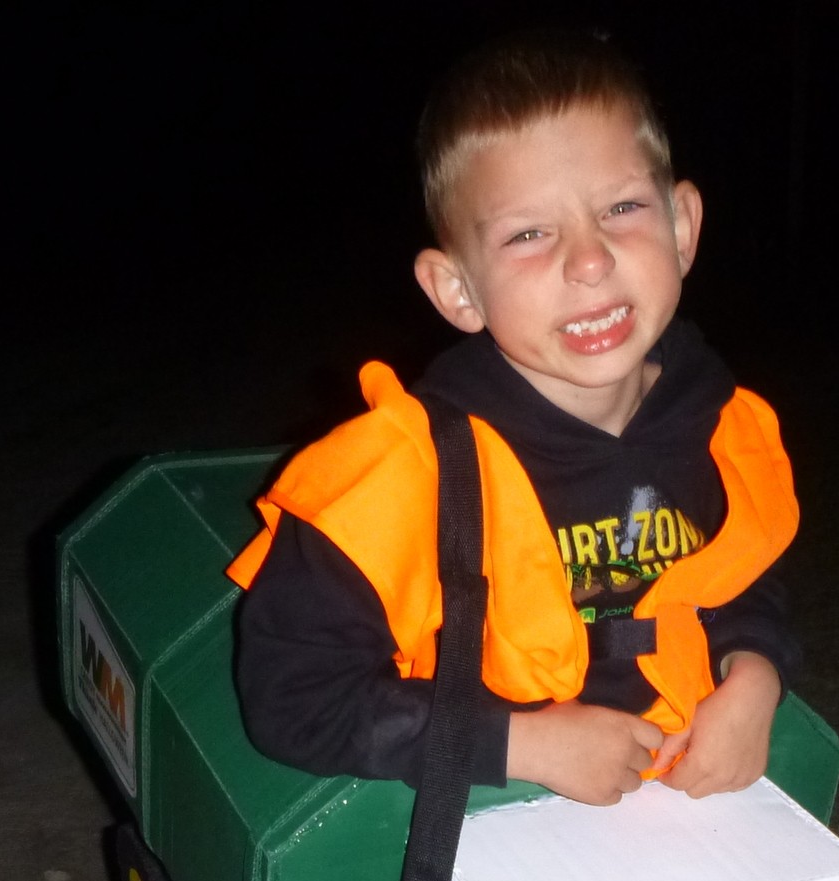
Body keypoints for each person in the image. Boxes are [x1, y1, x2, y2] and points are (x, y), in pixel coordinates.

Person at [230, 29, 803, 806]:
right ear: (458, 290)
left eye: (622, 207)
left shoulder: (721, 427)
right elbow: (293, 698)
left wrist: (756, 673)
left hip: (673, 810)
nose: (589, 260)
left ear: (682, 226)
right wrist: (520, 743)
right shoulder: (407, 474)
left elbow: (741, 577)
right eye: (529, 234)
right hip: (471, 809)